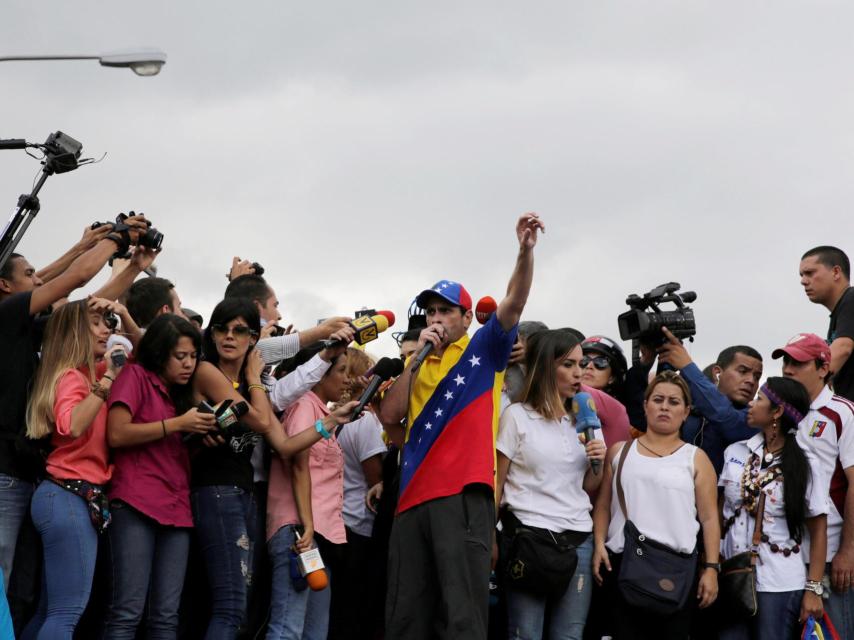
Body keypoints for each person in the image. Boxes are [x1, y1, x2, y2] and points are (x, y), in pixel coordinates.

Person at [378, 213, 545, 639]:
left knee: (462, 617)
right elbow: (388, 415)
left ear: (466, 317)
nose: (436, 319)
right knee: (405, 618)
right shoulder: (415, 362)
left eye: (446, 311)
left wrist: (524, 252)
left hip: (462, 496)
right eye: (430, 312)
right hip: (411, 497)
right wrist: (413, 363)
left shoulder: (484, 349)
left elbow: (514, 303)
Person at [0, 218, 152, 622]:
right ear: (5, 287)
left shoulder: (30, 332)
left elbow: (87, 308)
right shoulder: (6, 317)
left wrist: (134, 266)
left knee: (24, 595)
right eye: (31, 274)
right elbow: (77, 279)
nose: (41, 278)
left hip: (31, 474)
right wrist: (120, 237)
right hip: (7, 476)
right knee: (10, 586)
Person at [102, 314, 218, 638]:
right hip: (136, 501)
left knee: (166, 617)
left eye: (194, 357)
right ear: (159, 352)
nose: (189, 365)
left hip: (176, 508)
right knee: (127, 610)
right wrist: (179, 424)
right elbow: (117, 434)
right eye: (180, 356)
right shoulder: (135, 376)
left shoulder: (183, 395)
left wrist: (199, 436)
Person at [19, 300, 127, 638]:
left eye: (106, 322)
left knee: (51, 612)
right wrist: (108, 377)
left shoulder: (84, 374)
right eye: (95, 323)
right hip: (69, 496)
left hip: (67, 498)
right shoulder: (72, 377)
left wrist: (123, 311)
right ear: (75, 332)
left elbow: (137, 347)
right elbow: (71, 426)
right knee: (66, 613)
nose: (106, 329)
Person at [495, 329, 606, 639]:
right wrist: (489, 538)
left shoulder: (584, 420)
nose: (579, 373)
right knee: (524, 634)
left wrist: (598, 458)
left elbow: (589, 485)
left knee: (570, 636)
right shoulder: (516, 416)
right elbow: (497, 484)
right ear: (545, 366)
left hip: (577, 540)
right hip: (528, 538)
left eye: (581, 365)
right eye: (568, 364)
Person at [592, 371, 720, 639]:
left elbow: (709, 519)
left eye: (674, 402)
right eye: (658, 399)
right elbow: (603, 505)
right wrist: (598, 545)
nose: (664, 406)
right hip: (622, 565)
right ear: (645, 405)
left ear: (686, 412)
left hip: (675, 571)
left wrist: (711, 569)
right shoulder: (619, 451)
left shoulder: (696, 458)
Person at [718, 376, 827, 639]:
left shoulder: (806, 462)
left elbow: (818, 528)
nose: (751, 405)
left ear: (777, 411)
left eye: (759, 399)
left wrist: (813, 589)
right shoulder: (736, 451)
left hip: (779, 581)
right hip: (733, 575)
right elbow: (719, 512)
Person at [774, 333, 854, 638]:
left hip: (834, 556)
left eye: (798, 362)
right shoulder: (781, 412)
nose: (788, 369)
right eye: (785, 361)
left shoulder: (842, 412)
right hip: (784, 557)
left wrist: (849, 549)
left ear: (823, 367)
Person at [333, 348, 387, 639]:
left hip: (339, 521)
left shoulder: (333, 416)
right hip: (359, 524)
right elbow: (375, 479)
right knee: (356, 611)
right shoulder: (362, 420)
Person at [656, 332, 763, 473]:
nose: (751, 381)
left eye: (757, 376)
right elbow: (642, 416)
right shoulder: (687, 405)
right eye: (743, 371)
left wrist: (687, 366)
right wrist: (646, 363)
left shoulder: (756, 418)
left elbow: (724, 417)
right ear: (717, 373)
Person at [800, 246, 854, 400]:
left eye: (810, 273)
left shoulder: (851, 299)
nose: (803, 281)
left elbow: (843, 348)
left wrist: (798, 394)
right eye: (802, 275)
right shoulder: (840, 313)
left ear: (836, 272)